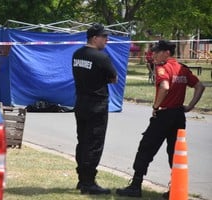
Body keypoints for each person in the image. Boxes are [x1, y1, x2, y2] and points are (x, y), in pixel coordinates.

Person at [116, 40, 205, 199]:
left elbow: (164, 87)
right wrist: (190, 106)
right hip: (178, 116)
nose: (153, 55)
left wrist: (156, 107)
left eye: (156, 52)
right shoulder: (182, 69)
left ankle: (135, 185)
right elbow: (200, 86)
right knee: (175, 153)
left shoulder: (163, 68)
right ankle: (175, 189)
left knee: (146, 147)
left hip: (163, 115)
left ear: (167, 53)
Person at [72, 23, 118, 195]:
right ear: (94, 38)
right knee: (94, 144)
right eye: (104, 36)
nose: (107, 39)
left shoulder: (77, 54)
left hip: (81, 103)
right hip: (97, 106)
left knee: (83, 142)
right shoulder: (101, 57)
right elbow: (114, 78)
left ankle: (81, 179)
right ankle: (89, 182)